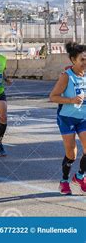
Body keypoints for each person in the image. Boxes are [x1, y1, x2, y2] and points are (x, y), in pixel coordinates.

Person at [49, 42, 86, 195]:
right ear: (73, 60)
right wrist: (71, 100)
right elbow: (53, 97)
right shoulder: (66, 77)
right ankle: (64, 181)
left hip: (83, 118)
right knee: (71, 153)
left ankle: (80, 176)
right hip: (67, 118)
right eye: (82, 59)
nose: (85, 62)